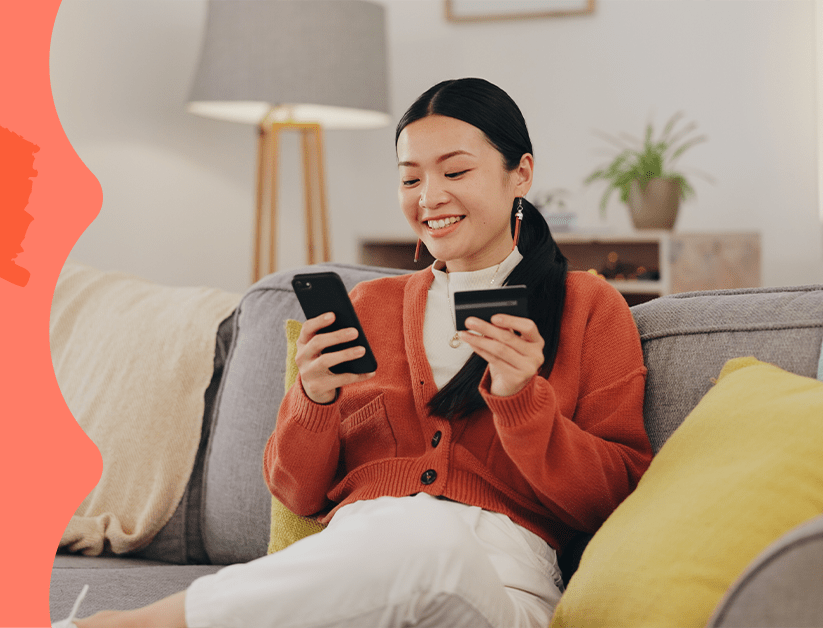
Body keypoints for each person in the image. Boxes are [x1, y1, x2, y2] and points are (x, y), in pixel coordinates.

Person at [56, 78, 653, 628]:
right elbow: (296, 493)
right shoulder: (373, 306)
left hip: (493, 583)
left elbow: (617, 497)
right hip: (348, 570)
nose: (430, 197)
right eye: (411, 178)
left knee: (427, 539)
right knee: (397, 529)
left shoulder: (587, 306)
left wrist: (522, 404)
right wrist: (312, 399)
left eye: (455, 171)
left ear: (519, 174)